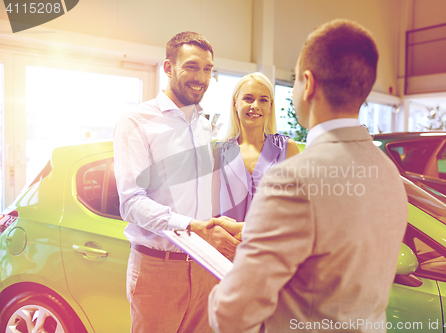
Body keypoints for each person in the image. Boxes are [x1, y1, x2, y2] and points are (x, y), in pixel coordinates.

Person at [208, 19, 408, 333]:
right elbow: (330, 237)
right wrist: (254, 229)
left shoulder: (293, 179)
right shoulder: (389, 173)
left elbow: (233, 312)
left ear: (308, 83)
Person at [114, 31, 240, 333]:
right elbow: (131, 202)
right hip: (159, 268)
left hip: (206, 265)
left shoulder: (203, 124)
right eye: (192, 67)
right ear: (168, 68)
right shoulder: (136, 120)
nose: (201, 78)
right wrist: (190, 226)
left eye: (208, 69)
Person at [213, 72, 300, 221]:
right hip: (226, 242)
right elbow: (212, 209)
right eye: (248, 99)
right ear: (235, 103)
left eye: (263, 100)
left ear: (270, 106)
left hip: (271, 242)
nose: (255, 106)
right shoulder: (218, 152)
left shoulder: (287, 149)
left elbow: (297, 208)